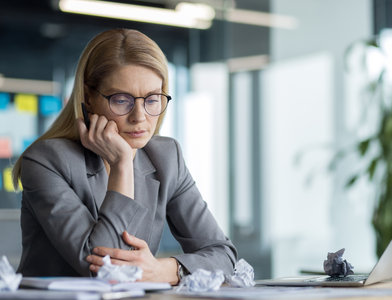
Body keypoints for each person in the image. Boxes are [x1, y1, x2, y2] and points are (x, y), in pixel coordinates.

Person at [12, 28, 237, 284]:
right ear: (88, 97)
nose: (139, 117)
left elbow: (223, 255)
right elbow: (102, 270)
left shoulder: (166, 157)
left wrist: (165, 270)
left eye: (152, 99)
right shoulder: (46, 160)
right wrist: (122, 165)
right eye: (121, 100)